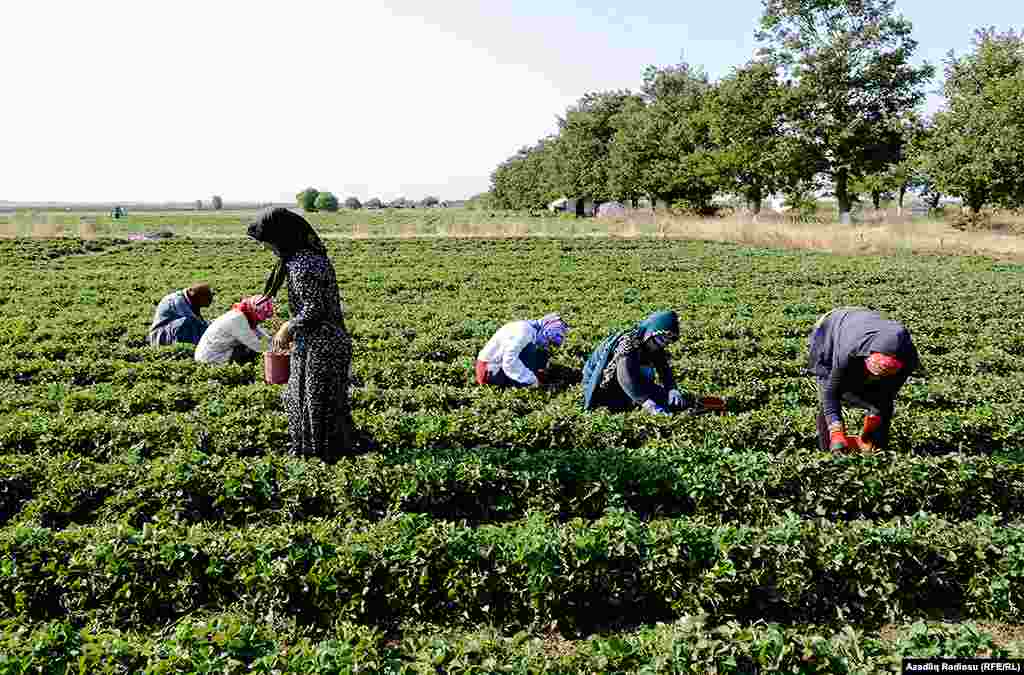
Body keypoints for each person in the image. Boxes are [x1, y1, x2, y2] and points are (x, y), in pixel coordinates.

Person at [246, 207, 354, 459]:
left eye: (268, 242)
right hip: (325, 342)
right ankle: (327, 453)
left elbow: (315, 308)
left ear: (281, 237)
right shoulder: (308, 257)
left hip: (321, 345)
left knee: (315, 403)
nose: (266, 248)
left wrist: (288, 326)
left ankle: (320, 457)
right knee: (321, 401)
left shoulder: (302, 265)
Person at [808, 307, 919, 453]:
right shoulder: (848, 351)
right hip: (832, 327)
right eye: (874, 372)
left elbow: (886, 396)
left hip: (864, 327)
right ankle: (829, 450)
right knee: (829, 388)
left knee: (881, 401)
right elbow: (830, 393)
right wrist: (836, 432)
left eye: (882, 374)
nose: (876, 377)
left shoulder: (909, 360)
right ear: (868, 357)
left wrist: (871, 430)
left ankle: (876, 448)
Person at [582, 309, 690, 415]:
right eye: (661, 340)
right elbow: (624, 376)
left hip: (633, 380)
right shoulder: (628, 343)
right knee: (648, 398)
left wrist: (672, 389)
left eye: (666, 342)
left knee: (672, 402)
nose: (662, 344)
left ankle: (637, 396)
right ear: (651, 332)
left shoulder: (653, 343)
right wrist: (646, 402)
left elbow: (663, 368)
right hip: (603, 385)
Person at [475, 313, 569, 387]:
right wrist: (531, 380)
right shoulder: (523, 332)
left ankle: (534, 377)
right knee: (533, 350)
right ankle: (526, 384)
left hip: (498, 366)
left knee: (541, 353)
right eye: (549, 339)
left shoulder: (531, 330)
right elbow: (509, 362)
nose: (548, 343)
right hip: (489, 370)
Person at [194, 295, 275, 365]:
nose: (262, 321)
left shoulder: (245, 315)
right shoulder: (238, 320)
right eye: (261, 318)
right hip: (209, 358)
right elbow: (256, 345)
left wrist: (272, 343)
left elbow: (260, 334)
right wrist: (274, 350)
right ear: (255, 312)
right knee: (250, 351)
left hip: (215, 351)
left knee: (250, 348)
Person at [147, 283, 213, 346]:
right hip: (161, 336)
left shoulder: (190, 300)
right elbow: (196, 322)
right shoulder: (178, 301)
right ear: (197, 296)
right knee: (188, 323)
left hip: (171, 333)